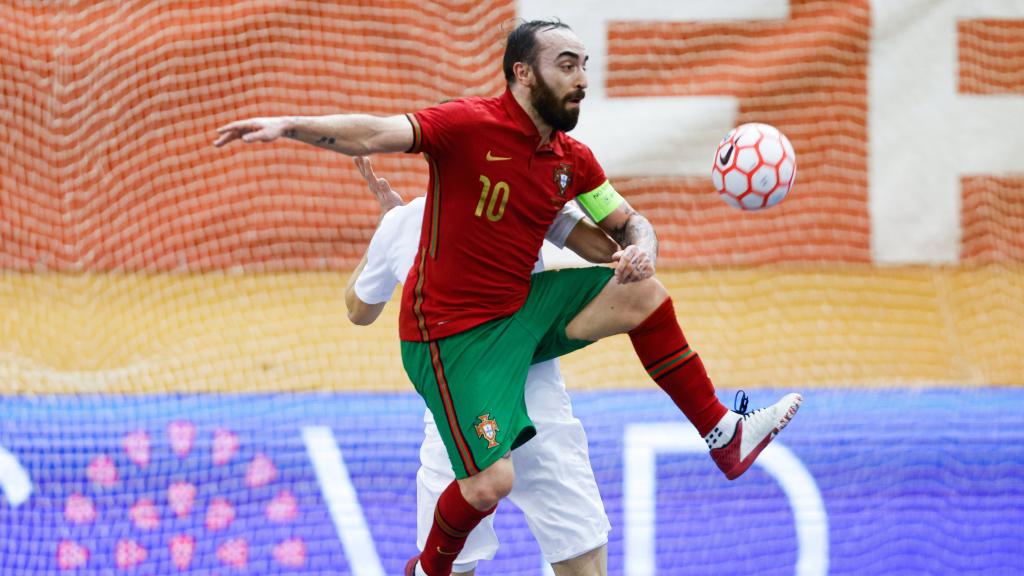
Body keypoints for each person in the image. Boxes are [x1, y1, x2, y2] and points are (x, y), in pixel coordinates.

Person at [215, 19, 802, 576]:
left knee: (642, 292)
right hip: (453, 337)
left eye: (584, 66)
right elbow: (376, 131)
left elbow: (621, 224)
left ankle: (722, 434)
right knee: (490, 484)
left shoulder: (571, 162)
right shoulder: (467, 126)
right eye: (567, 65)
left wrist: (639, 247)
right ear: (523, 73)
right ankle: (430, 568)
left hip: (521, 315)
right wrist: (289, 125)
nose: (582, 80)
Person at [346, 156, 614, 575]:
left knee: (452, 565)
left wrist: (386, 231)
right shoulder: (519, 200)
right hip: (535, 409)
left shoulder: (407, 221)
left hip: (459, 416)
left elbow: (359, 311)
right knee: (581, 560)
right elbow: (607, 251)